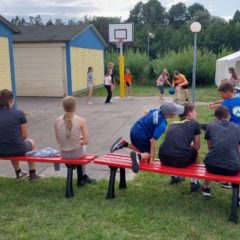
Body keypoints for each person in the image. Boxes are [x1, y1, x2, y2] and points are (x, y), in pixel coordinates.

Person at [110, 102, 184, 173]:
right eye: (175, 113)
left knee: (142, 150)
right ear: (171, 115)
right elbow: (153, 141)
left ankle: (124, 143)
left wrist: (150, 123)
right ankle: (138, 156)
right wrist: (152, 158)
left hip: (134, 129)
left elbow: (146, 112)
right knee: (147, 155)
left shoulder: (156, 111)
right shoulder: (162, 124)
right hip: (141, 136)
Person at [158, 102, 201, 191]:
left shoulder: (172, 124)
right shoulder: (195, 123)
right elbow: (197, 146)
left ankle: (174, 177)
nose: (196, 113)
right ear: (189, 114)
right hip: (181, 160)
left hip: (163, 158)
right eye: (194, 111)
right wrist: (191, 147)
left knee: (177, 147)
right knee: (196, 152)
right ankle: (194, 182)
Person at [0, 89, 42, 180]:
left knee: (10, 142)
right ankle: (33, 174)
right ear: (11, 100)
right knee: (31, 142)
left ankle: (18, 173)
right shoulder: (18, 113)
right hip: (16, 147)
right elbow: (24, 136)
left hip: (1, 150)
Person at [54, 96, 94, 185]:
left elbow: (58, 141)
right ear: (75, 107)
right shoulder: (81, 120)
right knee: (83, 146)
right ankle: (82, 177)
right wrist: (81, 140)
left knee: (75, 145)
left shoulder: (56, 121)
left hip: (63, 154)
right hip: (76, 154)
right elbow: (86, 141)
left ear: (63, 107)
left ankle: (76, 171)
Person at [201, 106, 240, 197]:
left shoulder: (210, 126)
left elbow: (210, 147)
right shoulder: (238, 128)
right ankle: (238, 195)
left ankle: (206, 187)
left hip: (211, 167)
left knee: (212, 156)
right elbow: (238, 150)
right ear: (229, 116)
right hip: (232, 169)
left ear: (215, 117)